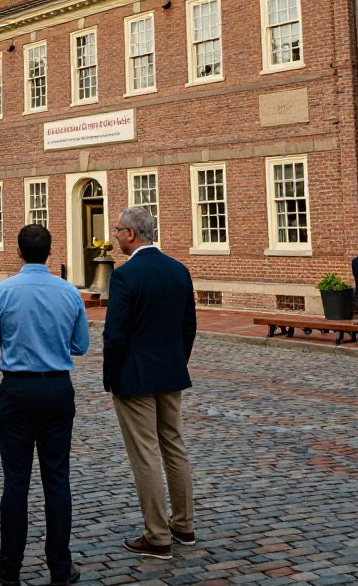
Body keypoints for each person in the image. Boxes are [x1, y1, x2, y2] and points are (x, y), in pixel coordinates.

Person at [0, 224, 89, 586]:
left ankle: (9, 565)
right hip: (57, 387)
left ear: (19, 252)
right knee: (57, 478)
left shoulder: (3, 291)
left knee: (16, 480)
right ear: (50, 251)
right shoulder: (69, 292)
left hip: (17, 390)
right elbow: (82, 345)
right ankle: (60, 566)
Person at [104, 207, 196, 562]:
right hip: (170, 371)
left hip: (135, 375)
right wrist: (178, 361)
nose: (114, 236)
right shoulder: (178, 270)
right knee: (174, 446)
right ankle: (184, 525)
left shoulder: (125, 276)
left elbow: (115, 335)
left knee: (145, 453)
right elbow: (189, 326)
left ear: (131, 233)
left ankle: (157, 535)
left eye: (117, 231)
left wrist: (111, 376)